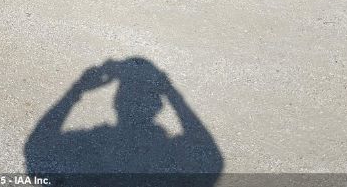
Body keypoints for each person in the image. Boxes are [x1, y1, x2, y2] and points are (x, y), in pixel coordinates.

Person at [24, 57, 223, 183]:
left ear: (116, 102)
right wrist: (171, 92)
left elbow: (36, 148)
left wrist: (77, 89)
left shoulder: (93, 142)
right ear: (159, 106)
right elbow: (211, 157)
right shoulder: (167, 156)